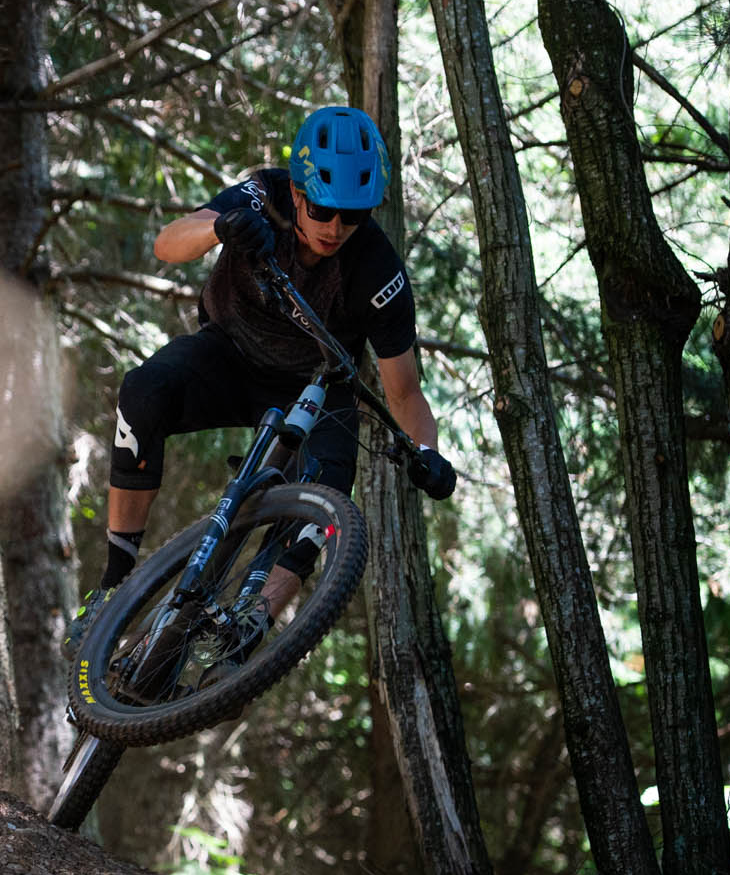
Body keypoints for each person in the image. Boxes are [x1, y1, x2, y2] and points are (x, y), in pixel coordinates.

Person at [68, 105, 453, 648]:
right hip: (228, 354)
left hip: (316, 388)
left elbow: (405, 391)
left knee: (328, 495)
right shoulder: (264, 195)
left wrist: (427, 453)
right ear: (297, 192)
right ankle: (114, 583)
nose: (334, 227)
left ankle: (250, 630)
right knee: (143, 392)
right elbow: (168, 243)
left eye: (353, 215)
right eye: (322, 209)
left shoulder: (376, 268)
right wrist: (219, 227)